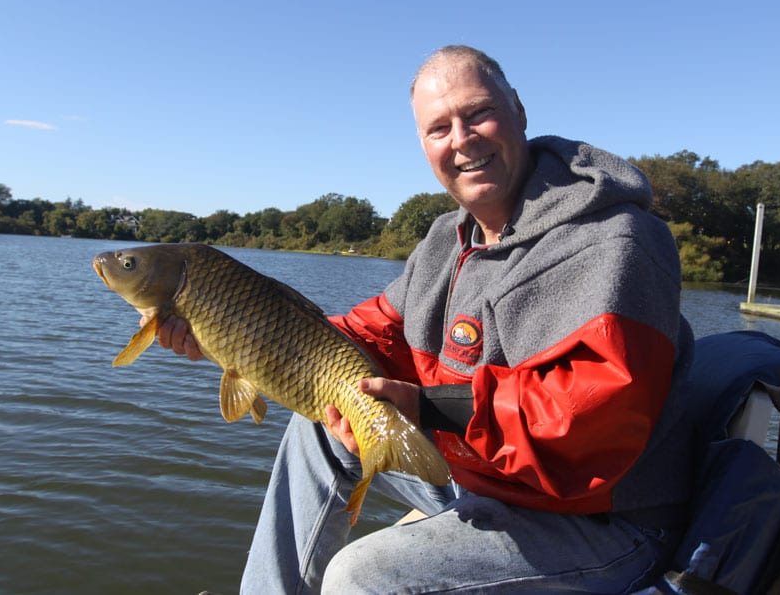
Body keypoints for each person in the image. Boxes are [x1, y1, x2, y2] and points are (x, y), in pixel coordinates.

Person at [158, 45, 695, 593]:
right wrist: (245, 338)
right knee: (316, 429)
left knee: (359, 578)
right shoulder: (446, 239)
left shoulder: (616, 240)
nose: (462, 140)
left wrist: (431, 409)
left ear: (519, 112)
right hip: (483, 478)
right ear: (423, 144)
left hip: (603, 518)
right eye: (439, 128)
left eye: (478, 113)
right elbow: (376, 332)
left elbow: (592, 419)